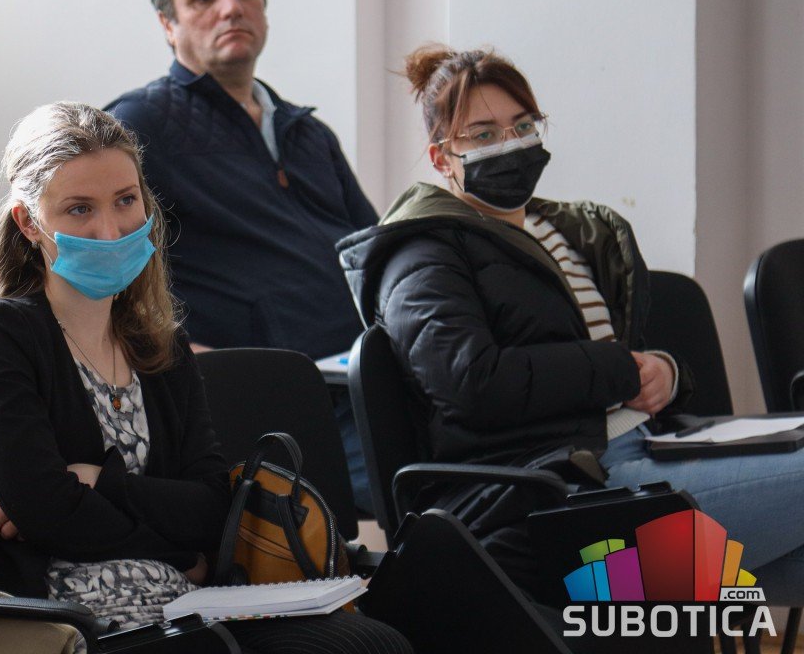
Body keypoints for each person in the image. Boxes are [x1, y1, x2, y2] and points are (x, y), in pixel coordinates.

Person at [0, 102, 410, 653]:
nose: (110, 229)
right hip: (73, 625)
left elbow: (212, 507)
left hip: (191, 610)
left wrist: (100, 483)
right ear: (29, 223)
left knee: (377, 639)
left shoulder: (160, 348)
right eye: (79, 209)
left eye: (126, 200)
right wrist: (180, 551)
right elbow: (51, 515)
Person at [337, 43, 804, 605]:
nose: (509, 144)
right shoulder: (421, 254)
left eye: (522, 126)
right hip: (557, 491)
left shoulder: (564, 234)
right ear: (441, 159)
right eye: (482, 135)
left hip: (646, 449)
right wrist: (618, 370)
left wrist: (665, 372)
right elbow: (473, 383)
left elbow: (618, 358)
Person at [106, 0, 378, 508]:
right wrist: (182, 359)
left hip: (366, 376)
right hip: (270, 403)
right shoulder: (139, 127)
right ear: (168, 25)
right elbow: (98, 272)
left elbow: (373, 255)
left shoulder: (308, 133)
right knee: (443, 494)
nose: (230, 7)